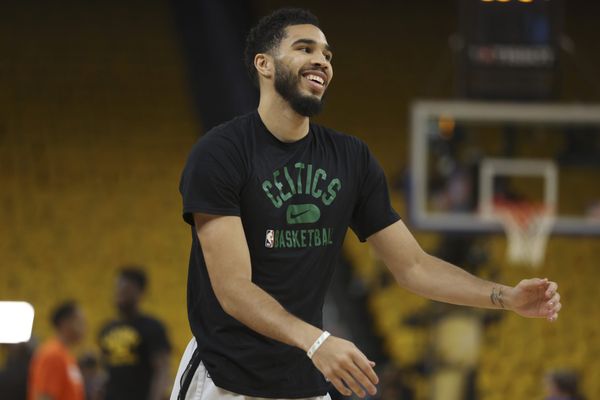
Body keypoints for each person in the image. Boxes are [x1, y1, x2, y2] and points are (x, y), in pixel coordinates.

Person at [172, 8, 562, 400]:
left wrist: (505, 297)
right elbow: (234, 288)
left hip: (303, 381)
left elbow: (414, 266)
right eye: (305, 48)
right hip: (224, 381)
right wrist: (316, 341)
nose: (321, 61)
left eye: (327, 55)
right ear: (264, 64)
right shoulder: (221, 154)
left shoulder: (349, 158)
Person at [99, 267, 171, 400]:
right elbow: (105, 370)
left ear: (140, 292)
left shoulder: (152, 327)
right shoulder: (106, 329)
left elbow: (162, 370)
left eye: (125, 289)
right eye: (118, 288)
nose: (120, 293)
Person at [28, 301, 86, 400]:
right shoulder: (52, 354)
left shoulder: (67, 356)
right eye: (80, 322)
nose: (84, 328)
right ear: (65, 323)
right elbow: (44, 397)